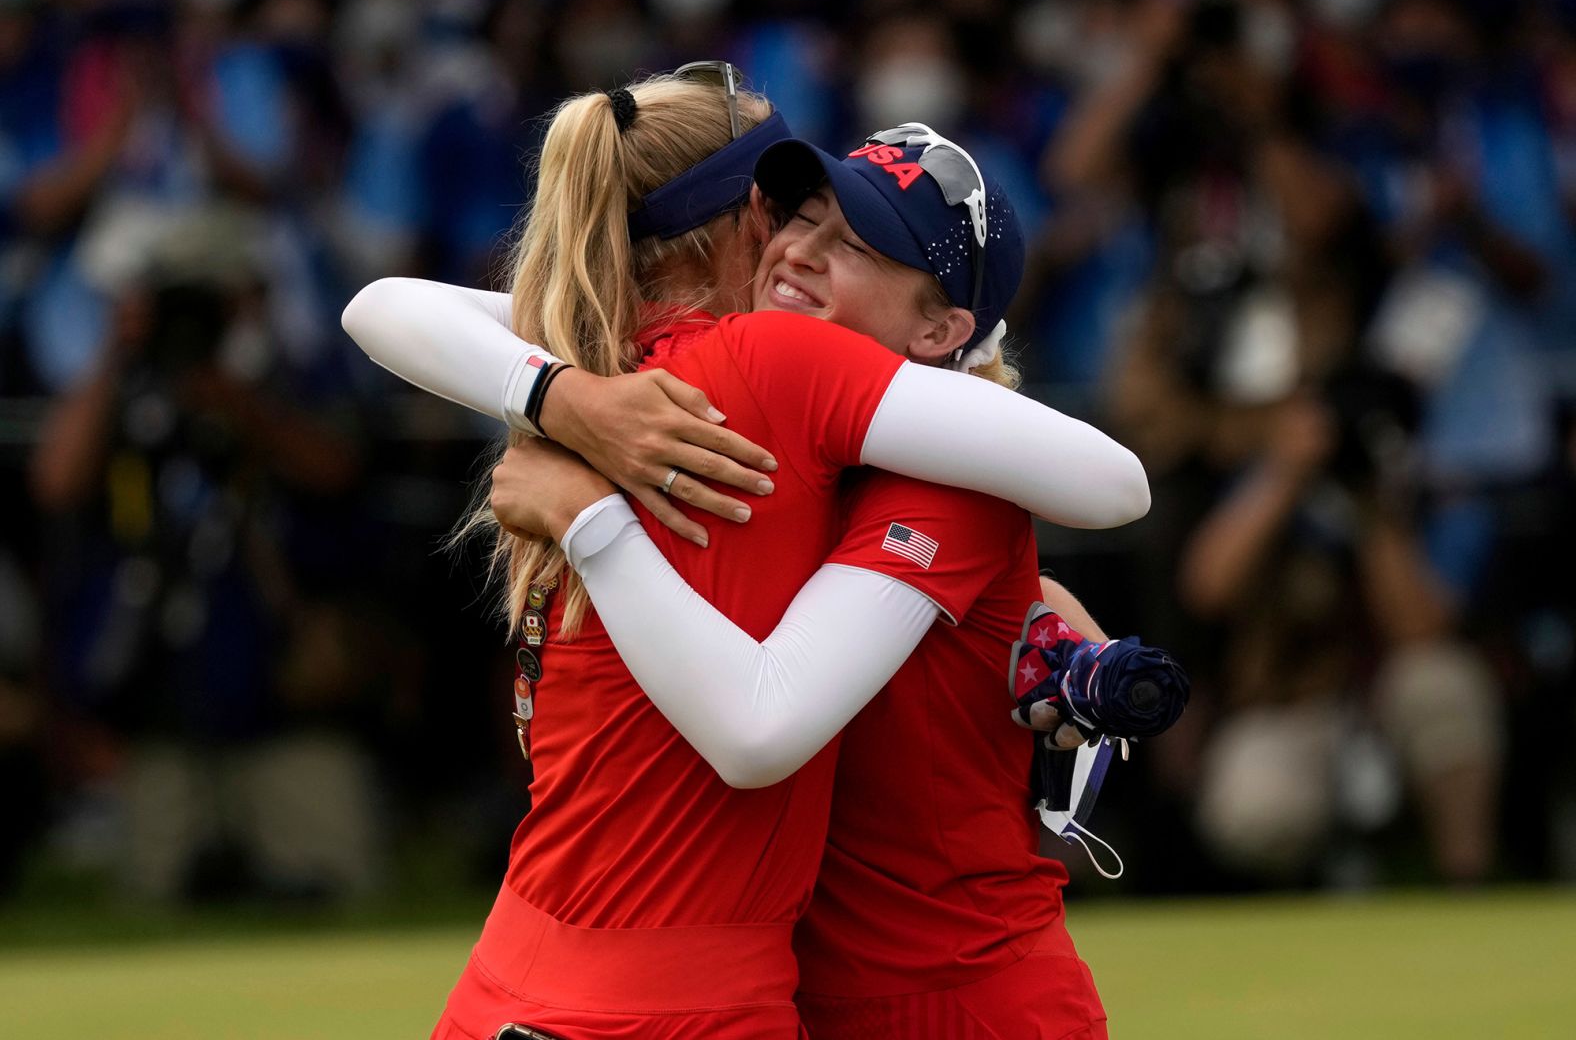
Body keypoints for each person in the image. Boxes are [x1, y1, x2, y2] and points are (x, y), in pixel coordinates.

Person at [344, 72, 1148, 1038]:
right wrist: (569, 412)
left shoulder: (605, 351)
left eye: (855, 244)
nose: (802, 251)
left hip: (571, 978)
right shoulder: (673, 368)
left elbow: (382, 309)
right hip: (703, 995)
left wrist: (569, 438)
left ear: (942, 331)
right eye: (797, 217)